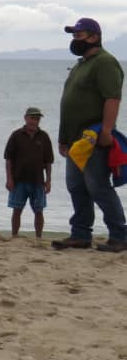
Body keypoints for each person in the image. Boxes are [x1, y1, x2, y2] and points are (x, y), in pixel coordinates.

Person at [52, 18, 126, 252]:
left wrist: (107, 130)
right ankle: (81, 234)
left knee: (98, 186)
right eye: (73, 36)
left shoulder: (105, 62)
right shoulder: (80, 64)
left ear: (94, 37)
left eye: (79, 35)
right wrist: (63, 138)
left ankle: (120, 236)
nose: (75, 40)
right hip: (75, 140)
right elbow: (70, 103)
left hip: (93, 136)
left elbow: (112, 98)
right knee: (76, 186)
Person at [4, 106, 54, 238]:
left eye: (37, 119)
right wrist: (9, 179)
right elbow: (8, 159)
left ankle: (39, 237)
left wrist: (48, 181)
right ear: (25, 118)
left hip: (38, 181)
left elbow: (49, 161)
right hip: (18, 180)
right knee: (17, 210)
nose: (34, 121)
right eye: (32, 118)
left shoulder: (44, 137)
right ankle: (14, 235)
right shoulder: (16, 135)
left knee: (39, 211)